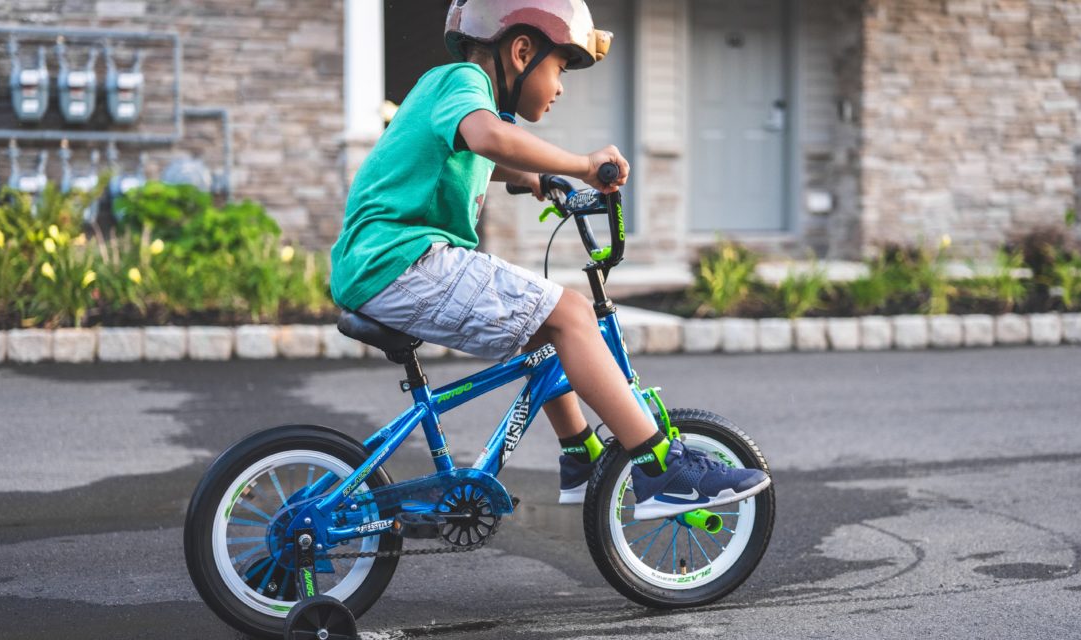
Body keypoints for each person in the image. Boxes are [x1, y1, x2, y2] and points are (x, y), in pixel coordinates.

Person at [330, 0, 769, 520]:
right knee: (571, 314)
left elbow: (463, 154)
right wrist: (583, 165)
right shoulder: (462, 82)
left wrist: (535, 179)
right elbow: (488, 139)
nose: (560, 88)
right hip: (401, 263)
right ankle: (660, 469)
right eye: (559, 69)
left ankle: (579, 454)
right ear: (520, 52)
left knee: (549, 326)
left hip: (387, 265)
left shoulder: (456, 97)